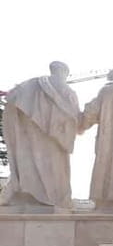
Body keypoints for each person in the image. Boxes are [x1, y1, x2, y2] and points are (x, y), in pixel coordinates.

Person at [0, 61, 80, 209]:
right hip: (54, 136)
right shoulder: (67, 90)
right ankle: (52, 198)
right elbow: (75, 118)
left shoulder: (29, 85)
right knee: (54, 168)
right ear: (64, 72)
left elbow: (11, 99)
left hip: (27, 127)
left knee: (29, 162)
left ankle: (29, 194)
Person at [78, 68, 113, 208]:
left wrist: (80, 125)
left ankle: (104, 200)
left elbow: (90, 113)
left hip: (106, 139)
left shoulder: (105, 91)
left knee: (105, 166)